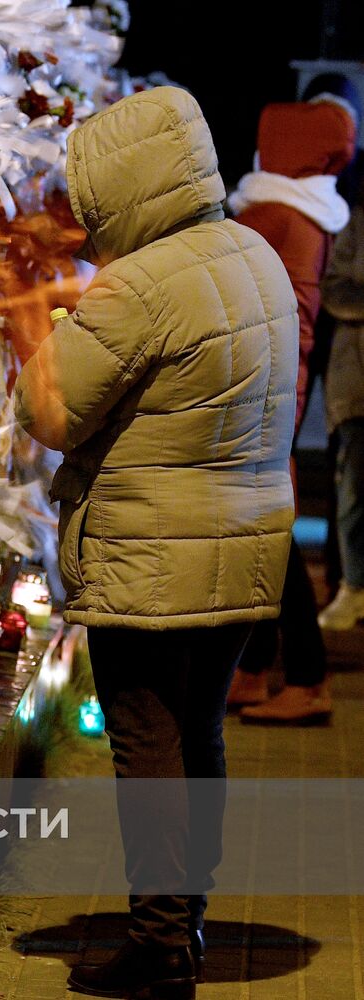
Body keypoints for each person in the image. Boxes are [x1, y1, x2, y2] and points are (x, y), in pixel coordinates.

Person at [15, 87, 297, 998]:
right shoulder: (250, 252)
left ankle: (160, 943)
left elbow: (49, 410)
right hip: (243, 538)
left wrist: (37, 320)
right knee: (197, 726)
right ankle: (189, 915)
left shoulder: (140, 283)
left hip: (150, 549)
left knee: (144, 739)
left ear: (121, 184)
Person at [225, 87, 357, 723]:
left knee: (267, 533)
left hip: (258, 383)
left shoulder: (274, 213)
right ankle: (254, 668)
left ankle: (307, 678)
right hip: (279, 380)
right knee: (260, 525)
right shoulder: (313, 210)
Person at [320, 201, 364, 629]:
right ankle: (353, 587)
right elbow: (333, 289)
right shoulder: (355, 224)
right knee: (354, 490)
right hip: (357, 385)